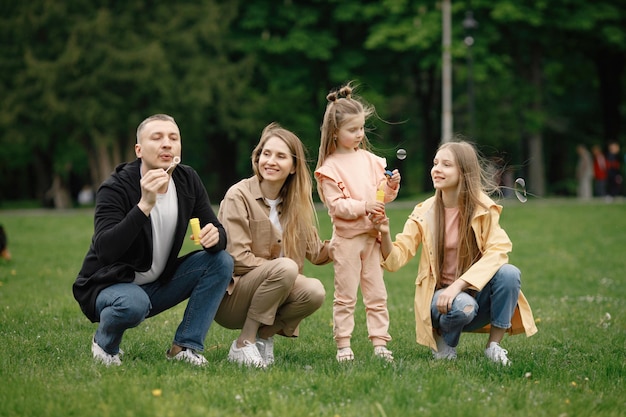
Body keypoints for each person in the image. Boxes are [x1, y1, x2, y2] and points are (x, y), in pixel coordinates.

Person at [72, 114, 233, 367]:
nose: (167, 144)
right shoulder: (116, 187)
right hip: (109, 286)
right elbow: (105, 250)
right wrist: (144, 205)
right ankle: (105, 345)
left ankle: (184, 348)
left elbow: (217, 229)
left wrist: (216, 237)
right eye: (157, 138)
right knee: (133, 303)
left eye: (173, 138)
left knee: (221, 261)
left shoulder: (187, 179)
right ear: (139, 150)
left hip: (159, 284)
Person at [371, 140, 537, 366]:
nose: (437, 169)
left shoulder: (483, 209)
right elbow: (395, 260)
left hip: (475, 295)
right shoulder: (424, 211)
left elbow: (499, 251)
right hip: (441, 301)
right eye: (435, 163)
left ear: (464, 172)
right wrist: (385, 234)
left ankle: (494, 346)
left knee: (509, 273)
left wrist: (458, 285)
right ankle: (444, 344)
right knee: (462, 306)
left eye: (446, 165)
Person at [215, 122, 329, 368]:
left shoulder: (296, 204)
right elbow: (236, 257)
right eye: (266, 154)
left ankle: (261, 338)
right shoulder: (239, 195)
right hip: (231, 298)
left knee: (315, 291)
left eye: (280, 156)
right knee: (287, 268)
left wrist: (349, 236)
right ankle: (243, 343)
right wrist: (284, 273)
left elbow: (317, 253)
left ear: (294, 166)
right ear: (257, 157)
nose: (271, 161)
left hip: (273, 291)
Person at [314, 82, 401, 362]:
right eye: (353, 130)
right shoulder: (329, 168)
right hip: (347, 242)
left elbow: (381, 197)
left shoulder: (373, 161)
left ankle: (380, 344)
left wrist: (391, 186)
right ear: (335, 132)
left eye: (361, 128)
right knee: (346, 296)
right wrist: (364, 206)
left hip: (372, 240)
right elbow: (337, 206)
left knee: (377, 294)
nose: (359, 134)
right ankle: (344, 345)